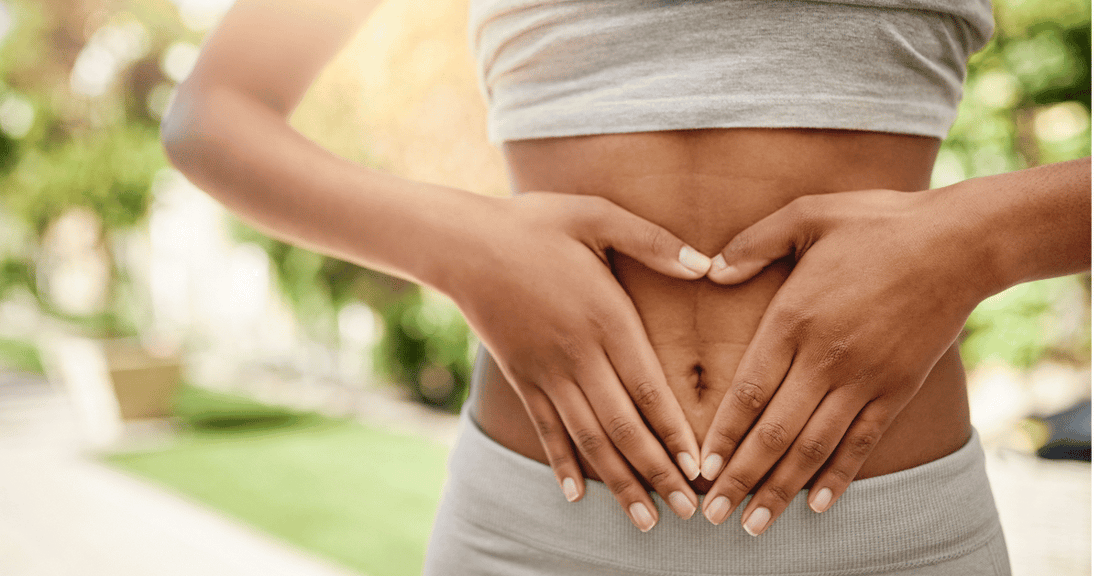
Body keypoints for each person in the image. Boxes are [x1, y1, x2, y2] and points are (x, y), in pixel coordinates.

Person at [160, 0, 1090, 574]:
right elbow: (213, 114)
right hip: (532, 536)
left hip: (890, 540)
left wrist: (987, 238)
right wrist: (466, 246)